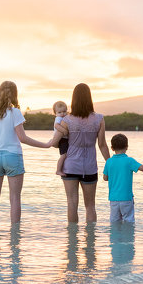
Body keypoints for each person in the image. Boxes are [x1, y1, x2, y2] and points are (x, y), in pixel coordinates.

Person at [0, 81, 52, 223]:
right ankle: (15, 238)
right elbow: (22, 138)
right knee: (15, 198)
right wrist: (46, 145)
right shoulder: (14, 112)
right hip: (12, 156)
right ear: (15, 94)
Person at [57, 83, 110, 223]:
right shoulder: (99, 119)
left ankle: (72, 242)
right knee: (90, 206)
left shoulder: (66, 120)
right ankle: (90, 242)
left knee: (72, 204)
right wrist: (110, 165)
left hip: (70, 166)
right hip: (90, 167)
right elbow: (102, 145)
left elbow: (56, 142)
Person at [103, 133, 143, 223]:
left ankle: (115, 237)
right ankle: (128, 237)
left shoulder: (109, 161)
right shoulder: (129, 161)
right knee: (129, 223)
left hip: (113, 199)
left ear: (112, 148)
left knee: (114, 224)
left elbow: (105, 178)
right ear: (127, 147)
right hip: (126, 198)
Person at [52, 100, 69, 176]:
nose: (62, 114)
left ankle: (62, 169)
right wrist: (64, 130)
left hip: (64, 139)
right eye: (59, 112)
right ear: (55, 113)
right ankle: (58, 170)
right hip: (62, 139)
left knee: (65, 154)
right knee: (63, 155)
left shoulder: (65, 118)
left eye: (64, 111)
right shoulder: (58, 118)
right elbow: (56, 126)